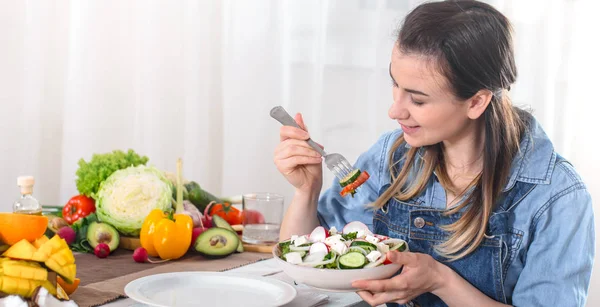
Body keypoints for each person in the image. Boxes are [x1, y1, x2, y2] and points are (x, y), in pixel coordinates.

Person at [273, 1, 595, 306]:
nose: (394, 110)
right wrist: (306, 191)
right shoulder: (391, 157)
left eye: (418, 100)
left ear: (476, 102)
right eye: (395, 85)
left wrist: (440, 280)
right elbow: (304, 267)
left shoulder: (557, 198)